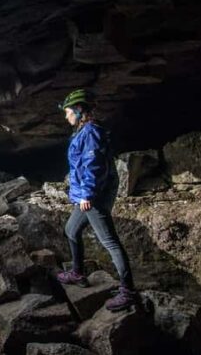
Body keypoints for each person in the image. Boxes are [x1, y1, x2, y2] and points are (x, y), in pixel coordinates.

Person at [56, 88, 137, 312]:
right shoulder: (84, 131)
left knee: (109, 242)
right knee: (71, 230)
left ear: (79, 110)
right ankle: (78, 273)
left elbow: (94, 166)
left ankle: (128, 292)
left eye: (68, 111)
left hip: (92, 197)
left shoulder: (90, 131)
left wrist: (87, 195)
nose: (66, 116)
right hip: (86, 195)